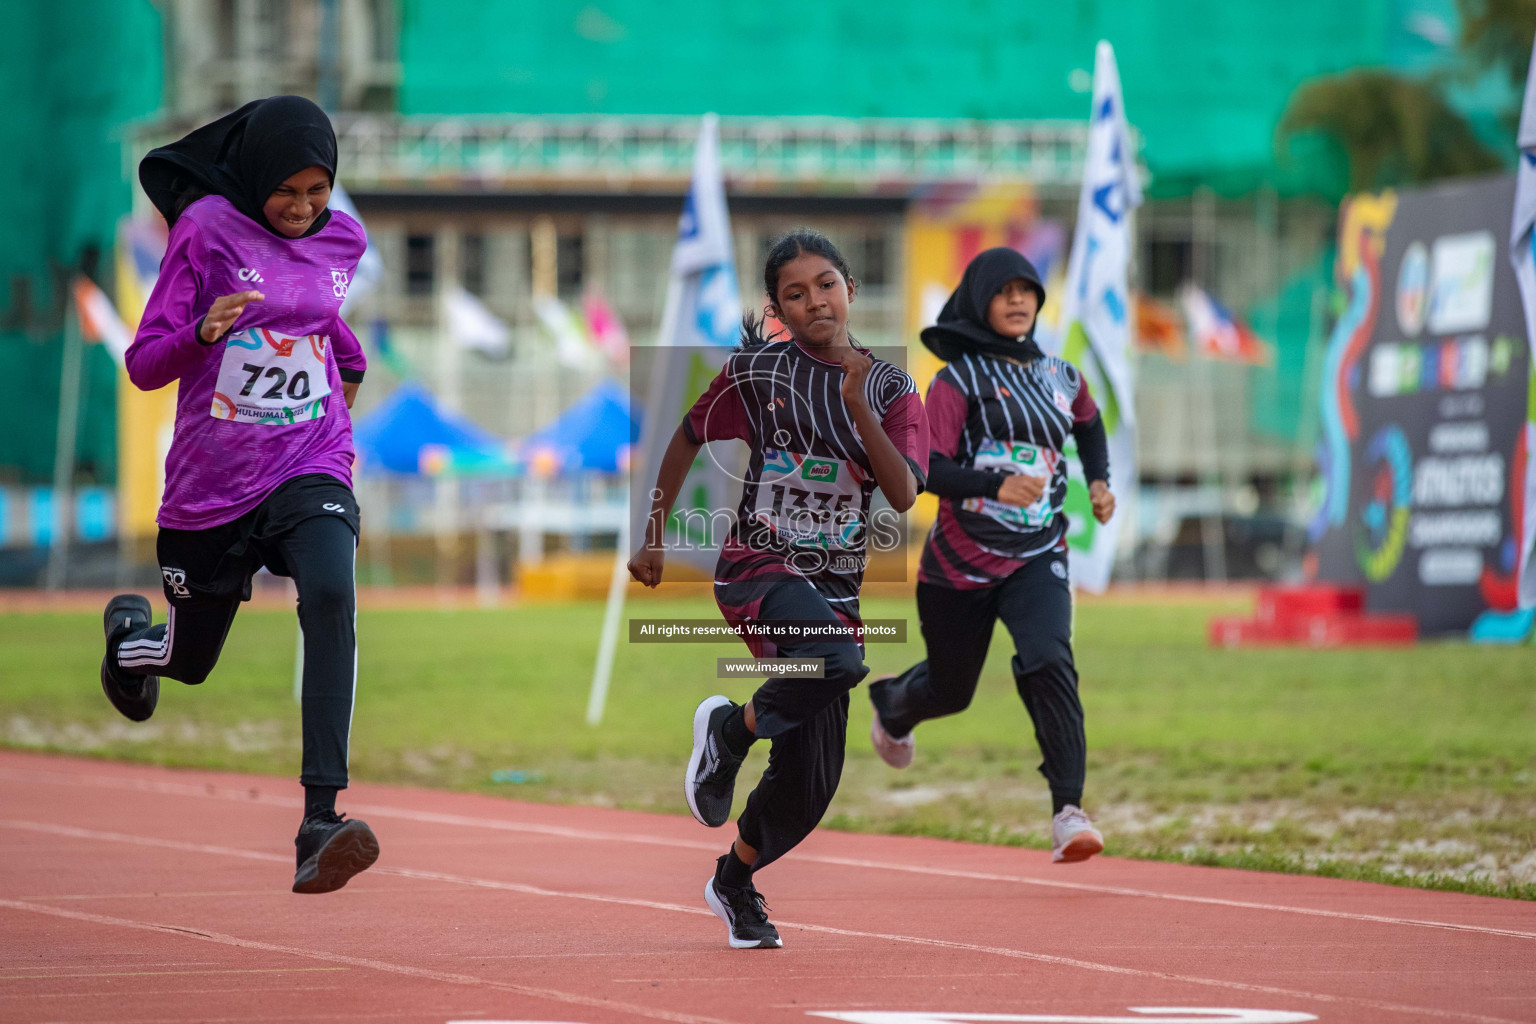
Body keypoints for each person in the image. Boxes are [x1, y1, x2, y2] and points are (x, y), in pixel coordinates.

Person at [99, 96, 378, 895]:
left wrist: (335, 406)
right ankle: (128, 643)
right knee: (188, 661)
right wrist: (206, 333)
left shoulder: (344, 239)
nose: (303, 208)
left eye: (318, 190)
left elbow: (326, 327)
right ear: (255, 179)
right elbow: (146, 363)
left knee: (330, 595)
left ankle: (319, 819)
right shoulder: (208, 231)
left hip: (308, 462)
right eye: (286, 191)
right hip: (212, 490)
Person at [628, 230, 929, 948]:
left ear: (850, 289)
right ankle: (729, 732)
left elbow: (904, 491)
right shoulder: (757, 374)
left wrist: (858, 406)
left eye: (825, 284)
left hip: (836, 589)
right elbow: (686, 435)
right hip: (756, 567)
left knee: (811, 782)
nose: (814, 301)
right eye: (795, 293)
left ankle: (734, 881)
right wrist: (653, 532)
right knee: (843, 664)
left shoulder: (893, 390)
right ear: (780, 310)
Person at [866, 246, 1116, 864]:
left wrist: (1101, 480)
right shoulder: (956, 381)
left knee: (1049, 660)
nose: (1018, 301)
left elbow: (1089, 422)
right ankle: (894, 705)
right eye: (1004, 291)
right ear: (980, 301)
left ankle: (1068, 811)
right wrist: (993, 486)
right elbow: (926, 468)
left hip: (1039, 553)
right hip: (959, 564)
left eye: (1027, 290)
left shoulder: (1062, 376)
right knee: (952, 690)